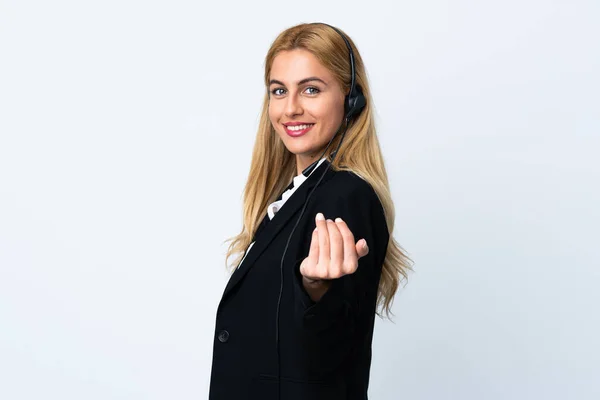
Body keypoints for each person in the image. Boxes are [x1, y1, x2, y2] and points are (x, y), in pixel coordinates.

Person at [209, 22, 412, 400]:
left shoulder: (346, 195)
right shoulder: (294, 195)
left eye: (311, 90)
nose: (291, 108)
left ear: (352, 100)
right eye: (279, 91)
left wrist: (316, 288)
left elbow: (337, 331)